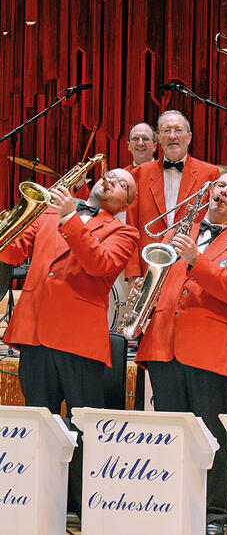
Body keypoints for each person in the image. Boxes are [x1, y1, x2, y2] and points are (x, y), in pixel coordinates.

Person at [0, 168, 139, 517]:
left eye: (123, 183)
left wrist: (70, 218)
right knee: (38, 424)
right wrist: (10, 223)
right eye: (110, 175)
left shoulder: (125, 232)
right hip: (37, 333)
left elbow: (99, 264)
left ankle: (82, 504)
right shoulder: (49, 212)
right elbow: (12, 253)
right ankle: (39, 500)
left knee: (81, 429)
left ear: (127, 202)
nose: (112, 181)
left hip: (78, 341)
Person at [135, 170, 227, 535]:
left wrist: (196, 259)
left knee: (209, 438)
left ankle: (214, 514)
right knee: (169, 435)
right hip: (163, 344)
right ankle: (169, 503)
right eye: (219, 185)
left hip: (207, 353)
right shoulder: (181, 232)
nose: (222, 192)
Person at [125, 110, 220, 280]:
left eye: (178, 130)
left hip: (189, 269)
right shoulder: (139, 174)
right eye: (166, 131)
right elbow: (130, 229)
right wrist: (133, 275)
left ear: (189, 137)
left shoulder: (209, 173)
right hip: (148, 266)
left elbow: (214, 226)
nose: (172, 136)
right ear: (159, 138)